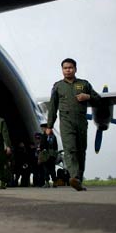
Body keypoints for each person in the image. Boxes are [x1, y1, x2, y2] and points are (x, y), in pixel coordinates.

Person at [47, 58, 101, 191]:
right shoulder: (58, 86)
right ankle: (74, 177)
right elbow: (53, 107)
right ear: (62, 70)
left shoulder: (84, 84)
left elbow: (98, 99)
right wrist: (49, 126)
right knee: (70, 149)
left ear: (75, 69)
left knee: (81, 151)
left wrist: (87, 97)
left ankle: (79, 180)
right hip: (66, 123)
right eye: (65, 68)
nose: (68, 70)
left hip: (81, 122)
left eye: (70, 67)